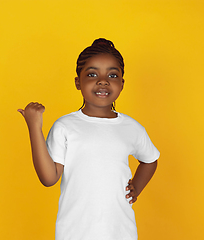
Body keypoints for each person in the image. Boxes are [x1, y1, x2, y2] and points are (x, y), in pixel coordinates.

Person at [17, 38, 160, 240]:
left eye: (112, 75)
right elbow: (49, 178)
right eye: (92, 74)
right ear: (78, 82)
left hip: (121, 232)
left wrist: (136, 187)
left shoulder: (131, 127)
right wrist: (34, 127)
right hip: (74, 233)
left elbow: (150, 159)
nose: (103, 81)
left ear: (122, 84)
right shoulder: (65, 126)